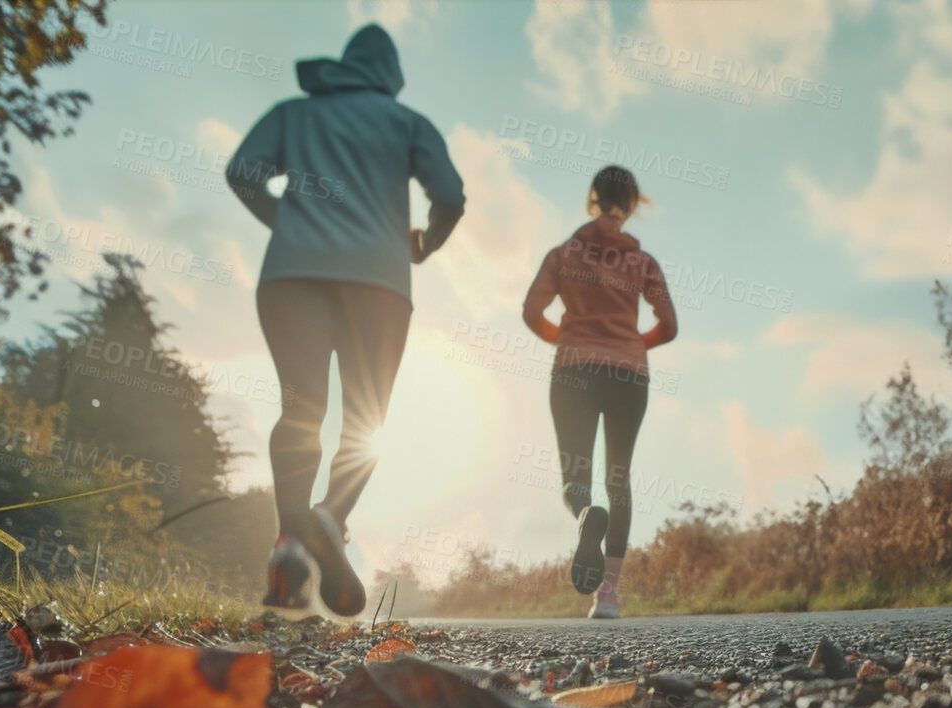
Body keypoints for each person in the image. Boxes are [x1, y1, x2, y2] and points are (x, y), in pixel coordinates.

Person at [226, 24, 464, 617]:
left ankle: (288, 547)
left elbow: (242, 172)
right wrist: (424, 245)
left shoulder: (294, 114)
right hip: (379, 284)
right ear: (391, 74)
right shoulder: (407, 122)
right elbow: (452, 197)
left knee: (300, 408)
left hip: (292, 276)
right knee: (366, 419)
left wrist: (289, 224)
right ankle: (330, 515)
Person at [521, 165, 678, 619]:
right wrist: (629, 345)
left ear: (593, 198)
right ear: (631, 205)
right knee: (620, 477)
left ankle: (586, 514)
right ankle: (606, 596)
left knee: (575, 472)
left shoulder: (562, 254)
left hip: (574, 367)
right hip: (629, 373)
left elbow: (532, 310)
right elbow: (669, 325)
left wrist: (568, 340)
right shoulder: (641, 261)